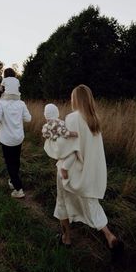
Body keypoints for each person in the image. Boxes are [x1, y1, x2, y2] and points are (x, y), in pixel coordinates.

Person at [44, 84, 123, 253]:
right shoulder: (94, 119)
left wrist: (53, 146)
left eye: (72, 97)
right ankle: (110, 236)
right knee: (92, 205)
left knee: (63, 202)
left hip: (70, 171)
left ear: (76, 99)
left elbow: (69, 149)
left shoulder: (73, 118)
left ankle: (66, 238)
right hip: (89, 173)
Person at [0, 97, 31, 198]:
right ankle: (13, 182)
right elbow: (28, 118)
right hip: (18, 137)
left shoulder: (1, 102)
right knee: (16, 161)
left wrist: (0, 113)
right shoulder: (21, 103)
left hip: (7, 139)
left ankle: (18, 189)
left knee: (10, 163)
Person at [42, 103, 78, 179]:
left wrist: (53, 135)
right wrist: (73, 133)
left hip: (53, 145)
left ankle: (62, 164)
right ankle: (64, 168)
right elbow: (64, 132)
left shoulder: (46, 125)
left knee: (63, 156)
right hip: (61, 144)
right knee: (73, 154)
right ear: (56, 113)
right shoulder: (58, 122)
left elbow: (45, 135)